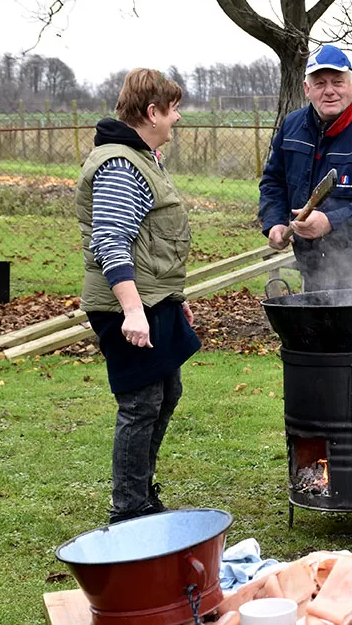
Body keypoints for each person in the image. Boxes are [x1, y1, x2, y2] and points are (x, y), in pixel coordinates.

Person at [76, 68, 201, 524]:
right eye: (173, 109)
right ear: (152, 112)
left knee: (166, 392)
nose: (177, 118)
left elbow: (152, 239)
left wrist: (173, 297)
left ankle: (141, 493)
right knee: (141, 401)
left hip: (153, 298)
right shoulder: (120, 164)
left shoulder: (142, 157)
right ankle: (129, 510)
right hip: (125, 304)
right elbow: (111, 241)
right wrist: (133, 310)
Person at [258, 44, 352, 291]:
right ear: (307, 89)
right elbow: (274, 182)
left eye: (338, 82)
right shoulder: (291, 127)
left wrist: (330, 221)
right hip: (315, 270)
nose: (329, 91)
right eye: (320, 83)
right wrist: (274, 222)